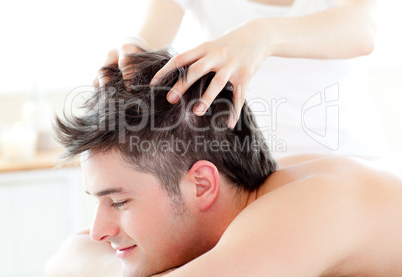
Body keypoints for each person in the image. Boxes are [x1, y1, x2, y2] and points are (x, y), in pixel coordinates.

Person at [47, 50, 402, 277]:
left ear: (202, 185)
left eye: (119, 202)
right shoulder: (261, 198)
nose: (97, 232)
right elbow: (65, 257)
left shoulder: (311, 206)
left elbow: (71, 264)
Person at [98, 0, 387, 158]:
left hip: (349, 159)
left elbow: (360, 27)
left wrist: (264, 34)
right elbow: (148, 40)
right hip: (252, 172)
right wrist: (131, 52)